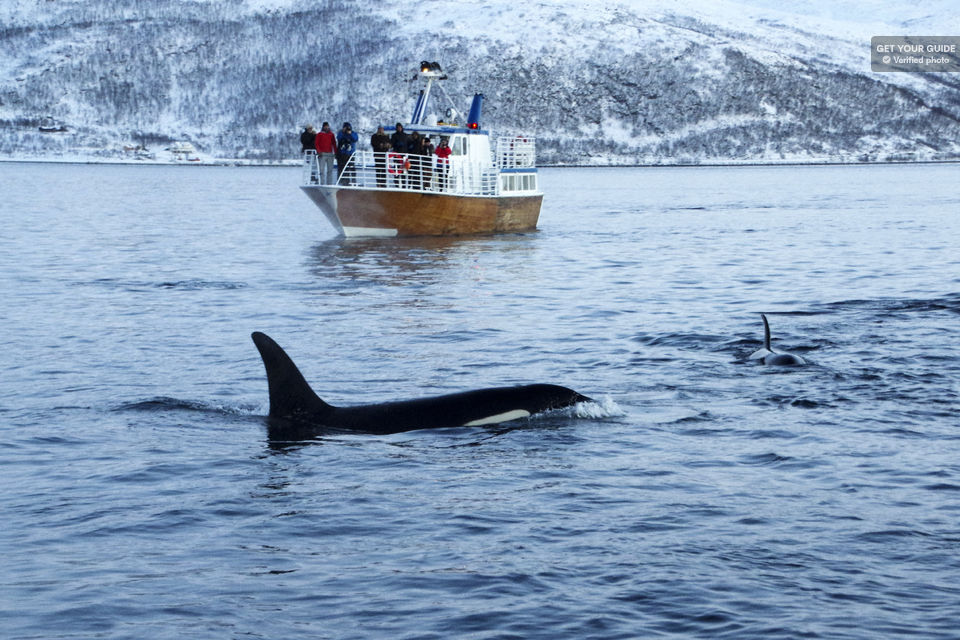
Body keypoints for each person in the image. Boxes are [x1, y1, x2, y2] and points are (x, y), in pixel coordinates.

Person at [390, 123, 409, 188]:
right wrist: (396, 144)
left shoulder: (406, 135)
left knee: (403, 170)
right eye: (398, 127)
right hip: (397, 155)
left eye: (400, 127)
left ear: (402, 128)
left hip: (404, 155)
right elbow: (391, 144)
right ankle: (397, 184)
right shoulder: (394, 135)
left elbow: (408, 144)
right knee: (396, 169)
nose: (399, 128)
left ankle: (404, 184)